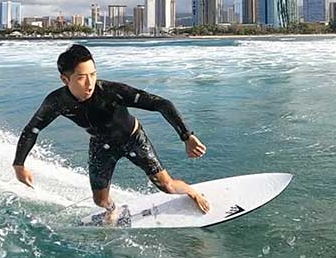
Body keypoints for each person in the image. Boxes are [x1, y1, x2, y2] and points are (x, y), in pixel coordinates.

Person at [12, 44, 209, 224]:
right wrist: (19, 165)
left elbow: (161, 104)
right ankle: (112, 210)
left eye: (93, 74)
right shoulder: (57, 102)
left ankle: (192, 192)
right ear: (65, 79)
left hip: (134, 140)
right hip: (101, 146)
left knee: (167, 186)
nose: (89, 83)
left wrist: (186, 136)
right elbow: (32, 130)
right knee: (100, 200)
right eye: (81, 77)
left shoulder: (110, 91)